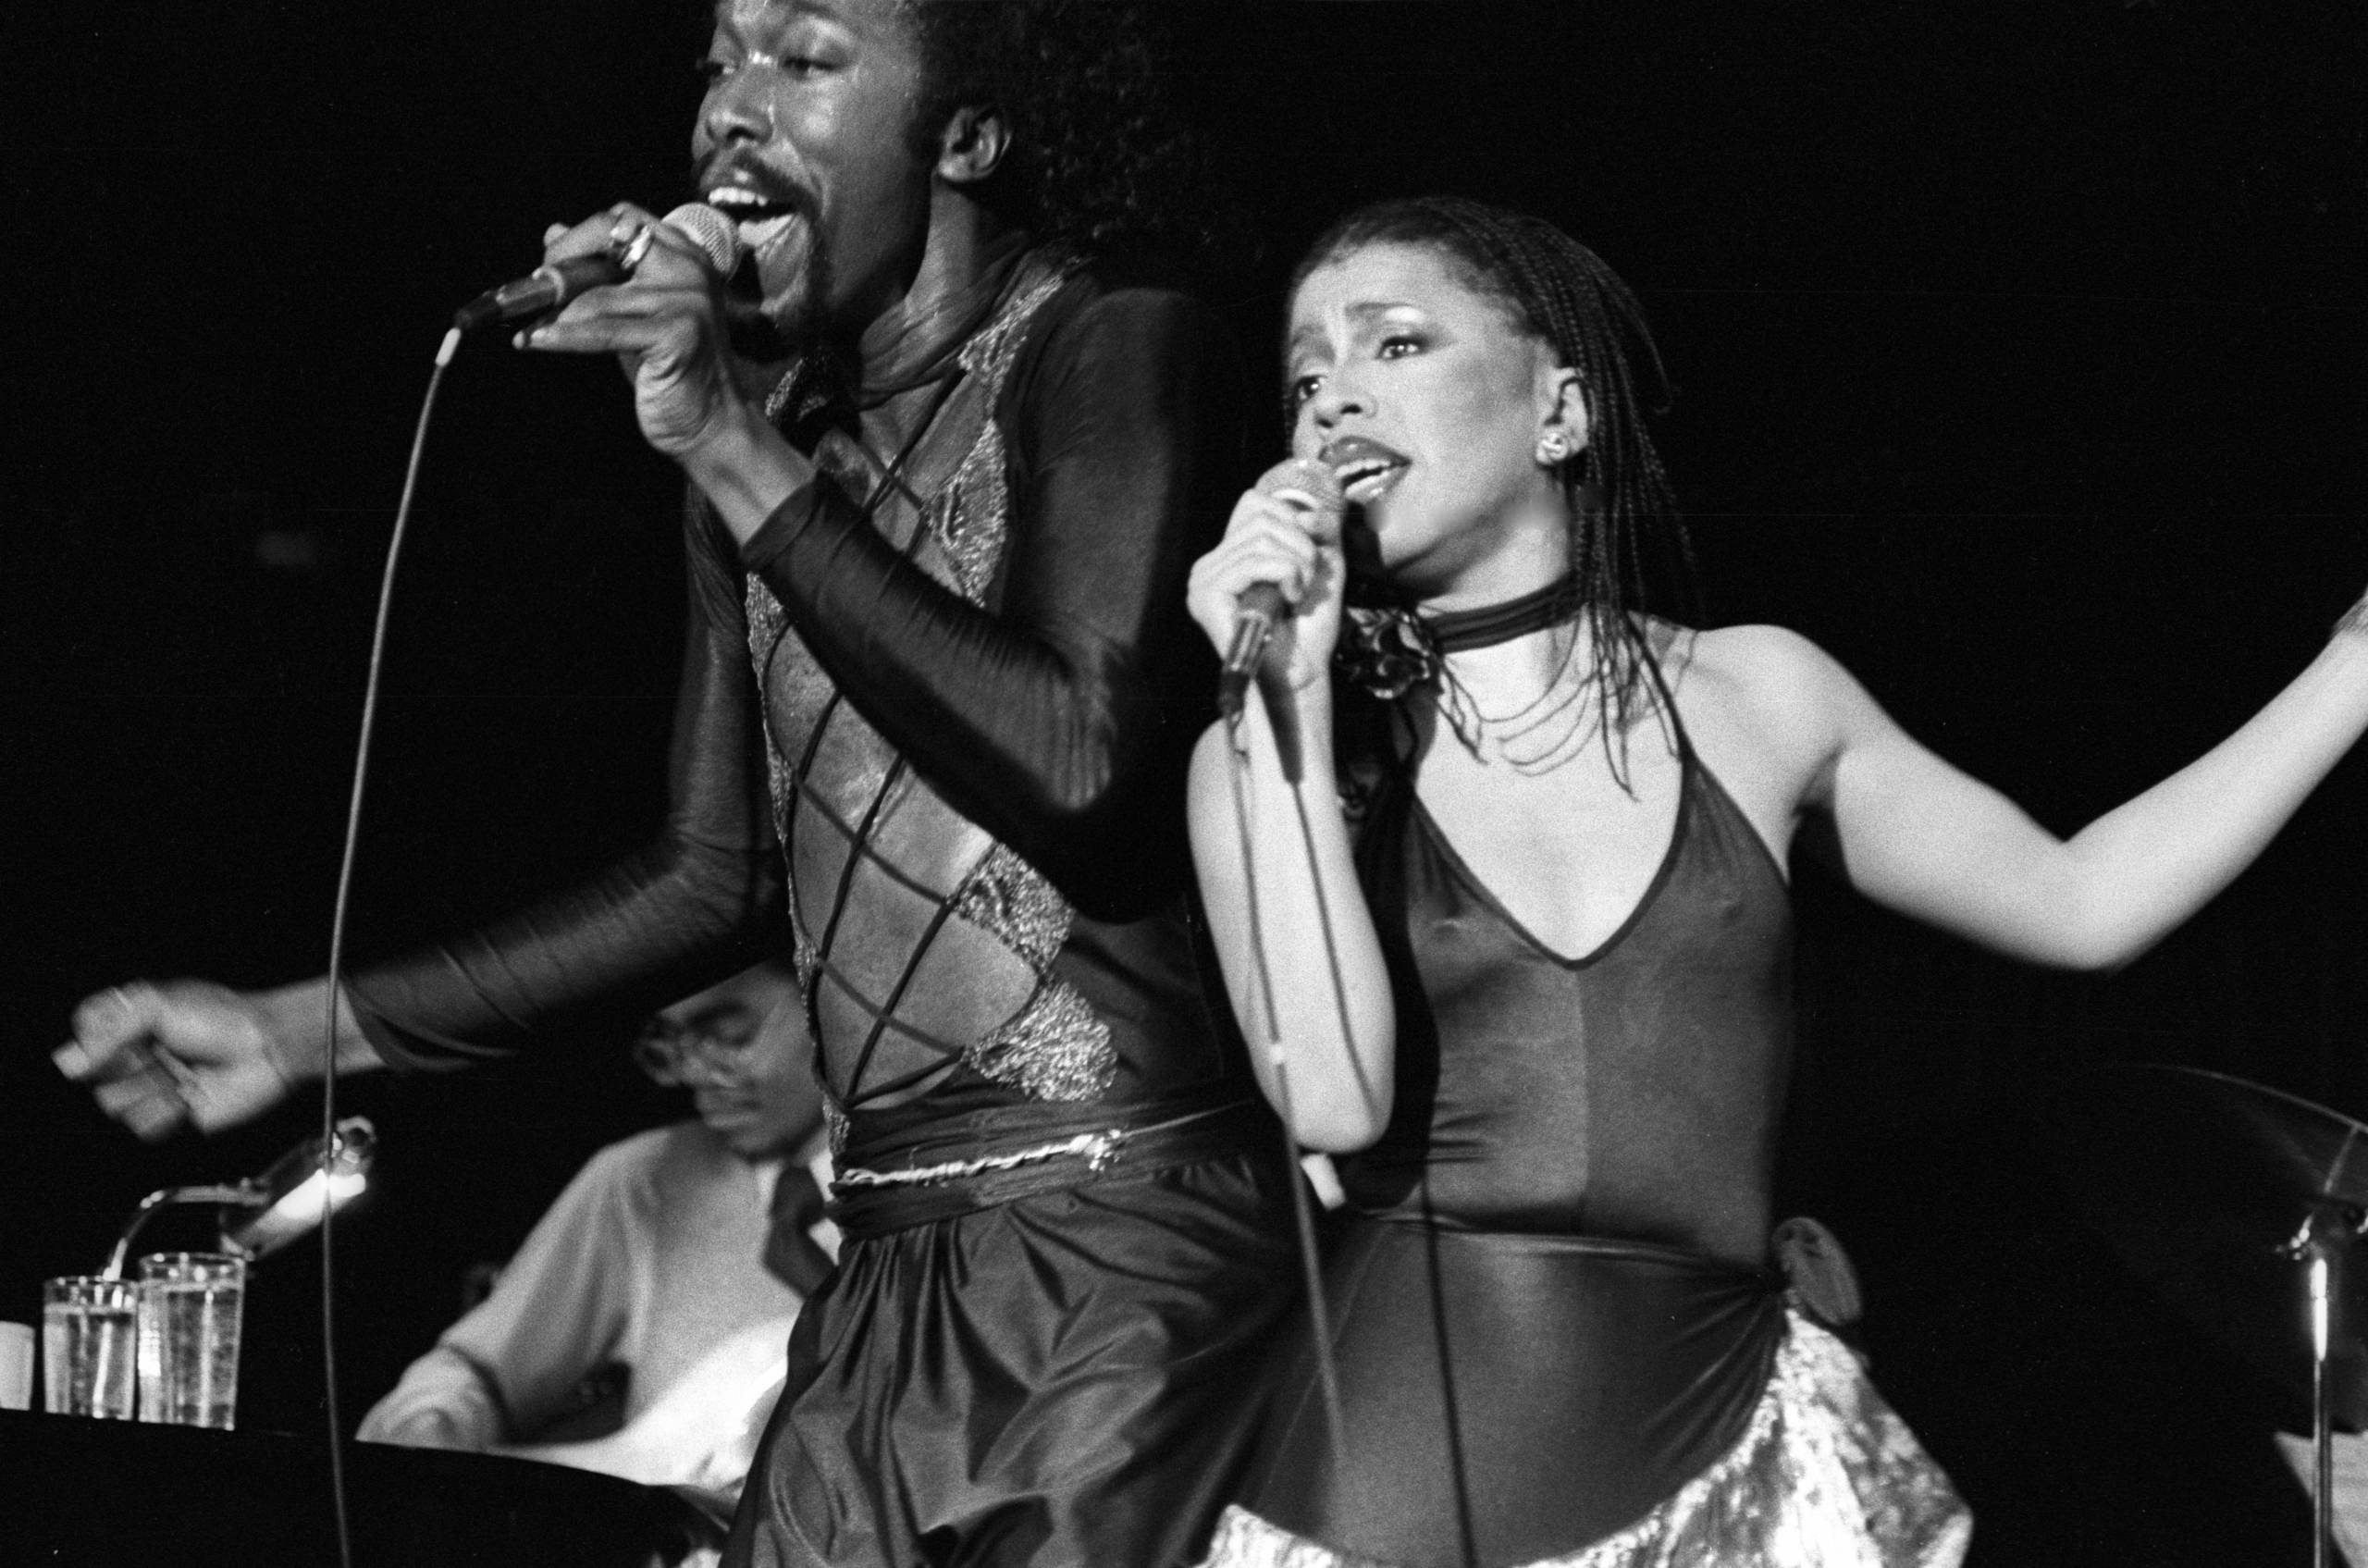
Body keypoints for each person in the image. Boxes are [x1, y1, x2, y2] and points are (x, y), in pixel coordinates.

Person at [56, 5, 1298, 1564]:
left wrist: (717, 435)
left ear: (968, 137)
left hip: (1121, 1249)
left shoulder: (1115, 338)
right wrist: (289, 1030)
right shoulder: (774, 438)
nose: (733, 105)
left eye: (806, 57)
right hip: (883, 1274)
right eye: (719, 58)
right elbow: (712, 873)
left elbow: (1081, 754)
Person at [1180, 194, 2368, 1568]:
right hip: (1403, 1485)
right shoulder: (1273, 746)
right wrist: (1279, 695)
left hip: (1733, 1457)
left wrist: (2353, 665)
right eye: (1304, 381)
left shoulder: (1757, 693)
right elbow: (1332, 1093)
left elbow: (2082, 900)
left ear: (1560, 411)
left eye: (1393, 345)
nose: (1333, 403)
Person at [357, 961, 831, 1513]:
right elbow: (469, 1372)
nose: (695, 1073)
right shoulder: (645, 1179)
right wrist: (432, 1429)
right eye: (670, 1043)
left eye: (729, 1034)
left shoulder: (938, 1197)